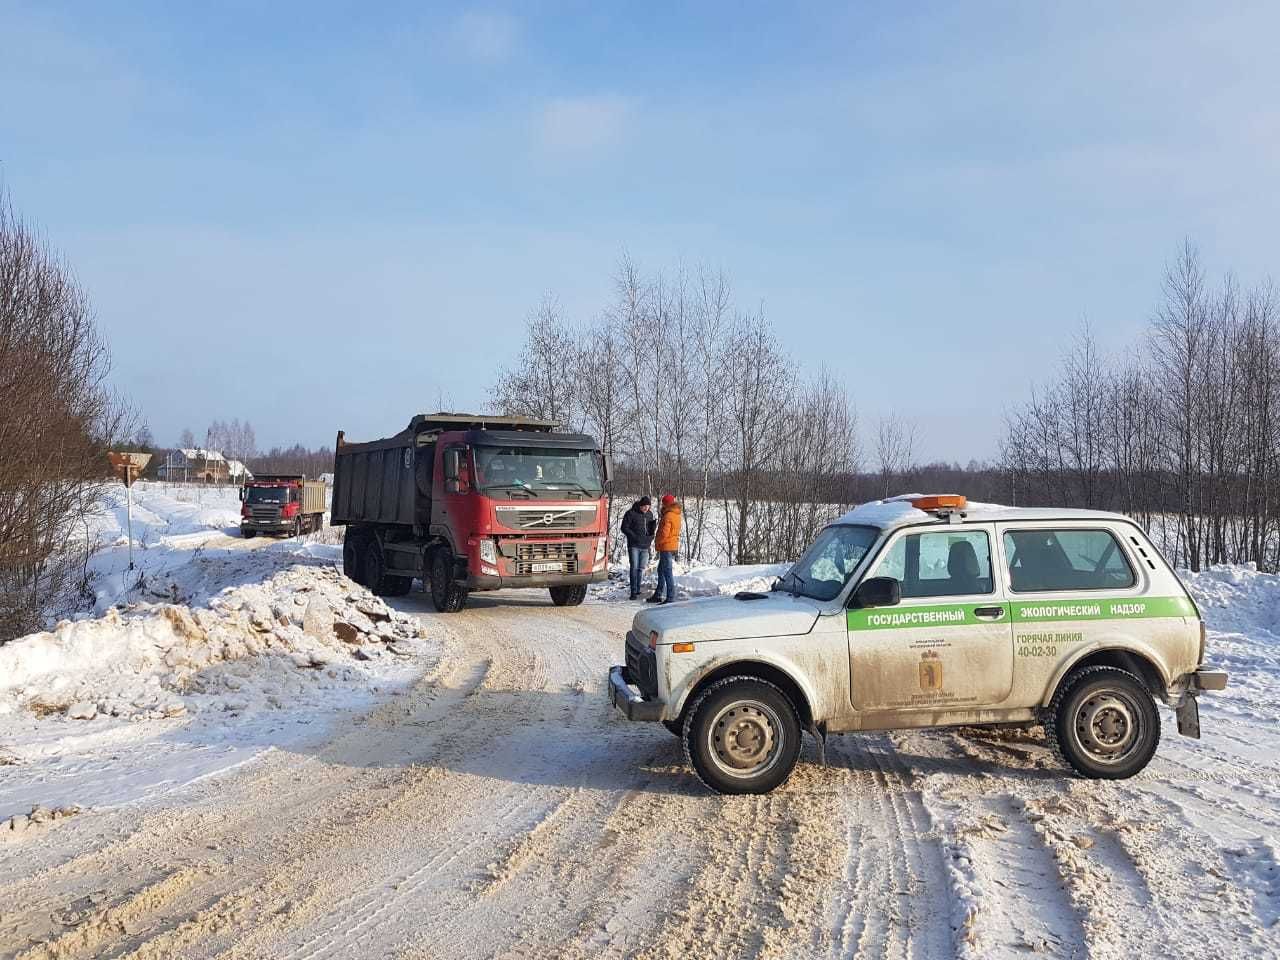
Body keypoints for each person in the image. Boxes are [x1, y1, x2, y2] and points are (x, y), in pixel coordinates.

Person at [620, 497, 657, 600]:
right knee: (634, 567)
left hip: (645, 546)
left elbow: (650, 529)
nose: (646, 508)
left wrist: (651, 536)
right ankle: (633, 592)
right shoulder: (631, 513)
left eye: (648, 506)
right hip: (634, 545)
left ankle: (637, 589)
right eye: (644, 506)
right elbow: (624, 528)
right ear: (640, 505)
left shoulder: (649, 514)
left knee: (641, 568)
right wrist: (633, 536)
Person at [648, 494, 681, 604]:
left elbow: (664, 533)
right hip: (671, 545)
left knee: (667, 572)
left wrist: (657, 541)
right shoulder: (676, 514)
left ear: (666, 504)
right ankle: (658, 594)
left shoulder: (668, 516)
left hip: (666, 546)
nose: (662, 505)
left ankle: (670, 597)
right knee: (661, 570)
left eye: (663, 503)